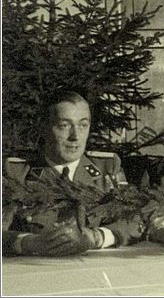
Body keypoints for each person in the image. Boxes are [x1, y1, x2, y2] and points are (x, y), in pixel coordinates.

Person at [3, 91, 143, 256]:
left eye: (83, 125)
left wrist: (94, 238)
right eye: (64, 125)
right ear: (44, 127)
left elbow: (134, 222)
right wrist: (29, 243)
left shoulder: (107, 168)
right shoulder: (15, 173)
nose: (75, 136)